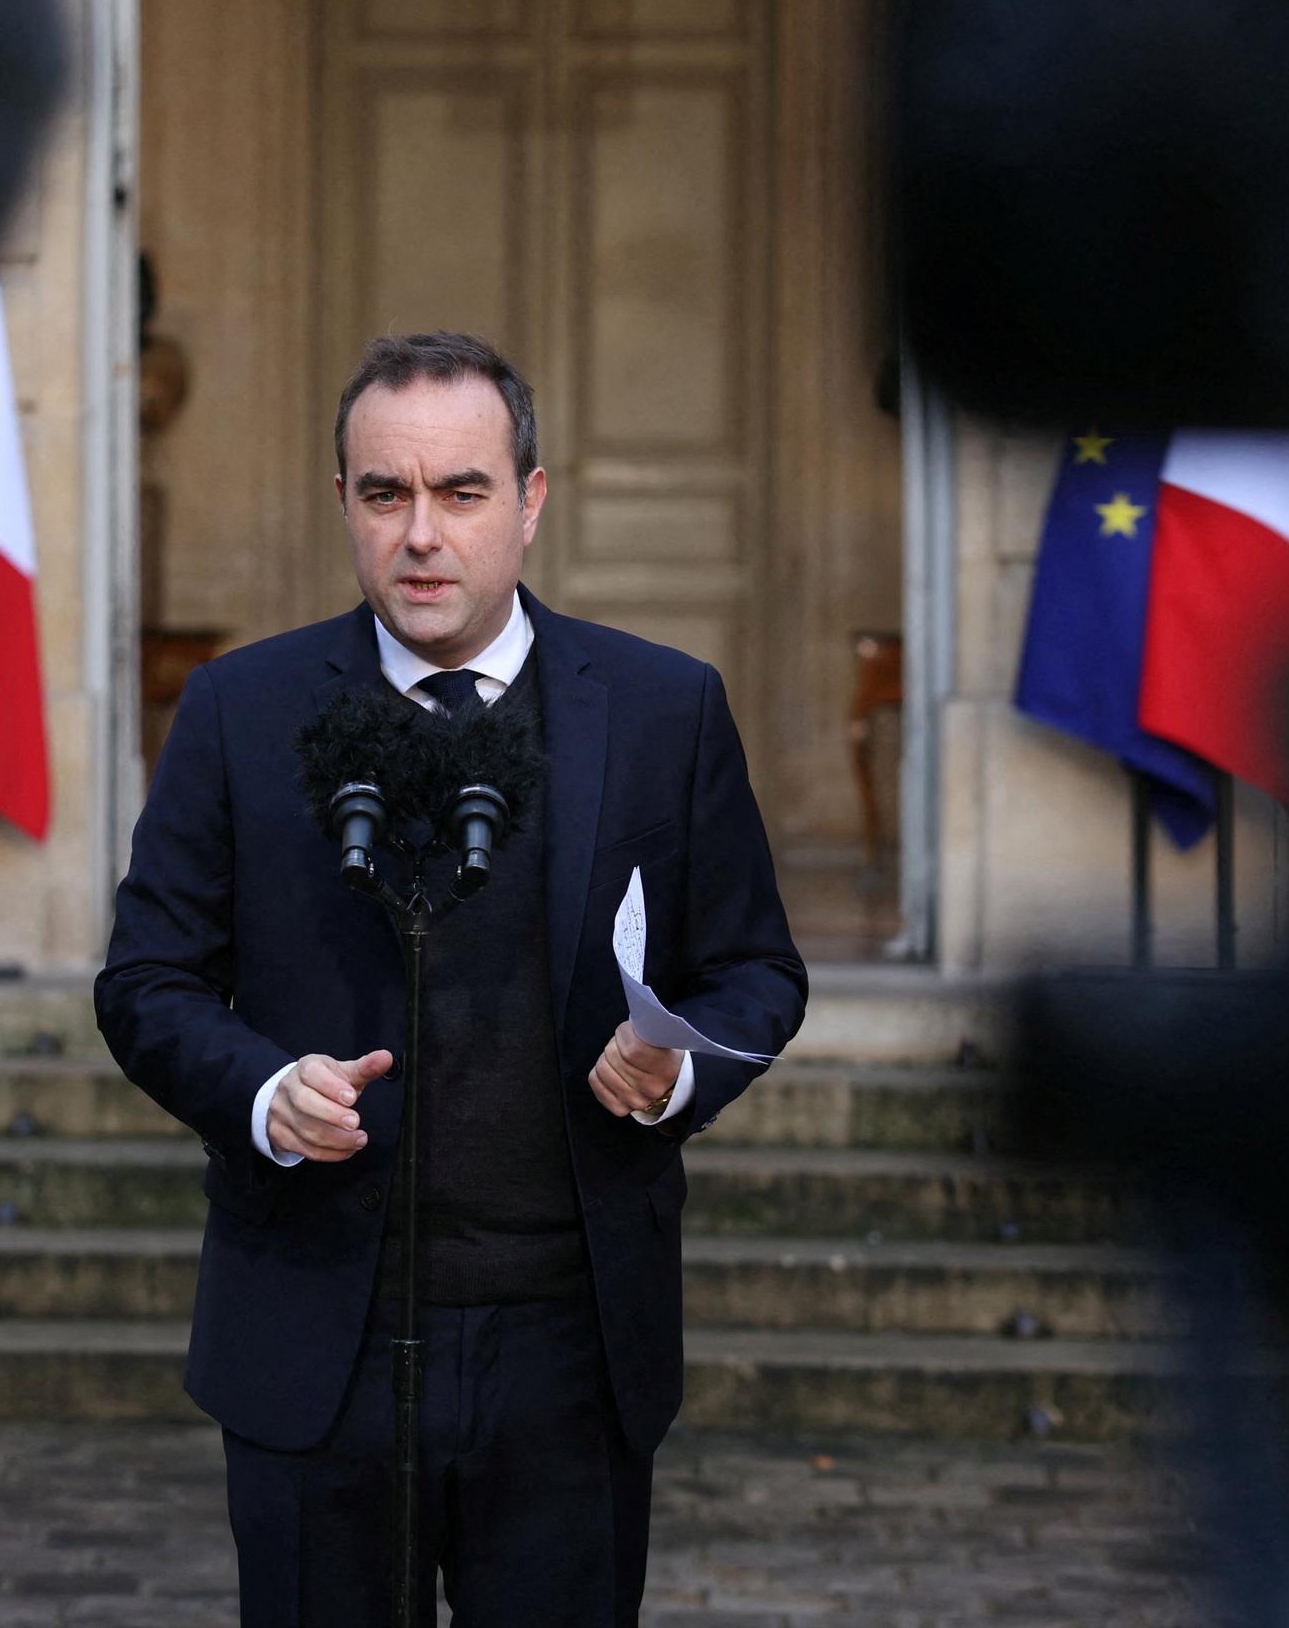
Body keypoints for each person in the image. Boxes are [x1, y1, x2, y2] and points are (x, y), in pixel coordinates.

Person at [96, 331, 807, 1626]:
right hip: (317, 1335)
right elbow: (147, 978)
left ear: (530, 501)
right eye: (386, 493)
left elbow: (757, 967)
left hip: (570, 1345)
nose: (421, 533)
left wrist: (675, 1071)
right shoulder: (240, 710)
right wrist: (262, 1091)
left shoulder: (665, 708)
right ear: (345, 503)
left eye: (461, 491)